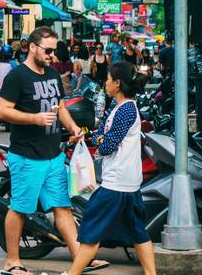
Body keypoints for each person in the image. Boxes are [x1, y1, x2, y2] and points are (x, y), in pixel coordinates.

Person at [0, 26, 108, 275]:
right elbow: (1, 110)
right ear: (32, 47)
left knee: (62, 208)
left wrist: (74, 127)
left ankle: (80, 259)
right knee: (20, 209)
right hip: (27, 156)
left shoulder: (53, 74)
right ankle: (12, 261)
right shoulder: (17, 76)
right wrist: (34, 119)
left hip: (53, 155)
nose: (52, 55)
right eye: (47, 50)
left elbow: (61, 108)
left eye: (53, 51)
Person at [62, 62, 155, 275]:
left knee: (91, 231)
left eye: (109, 79)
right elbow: (101, 134)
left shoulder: (126, 110)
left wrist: (101, 140)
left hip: (116, 183)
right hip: (128, 183)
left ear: (118, 83)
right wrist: (89, 136)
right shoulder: (120, 107)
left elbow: (107, 145)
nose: (106, 82)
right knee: (138, 233)